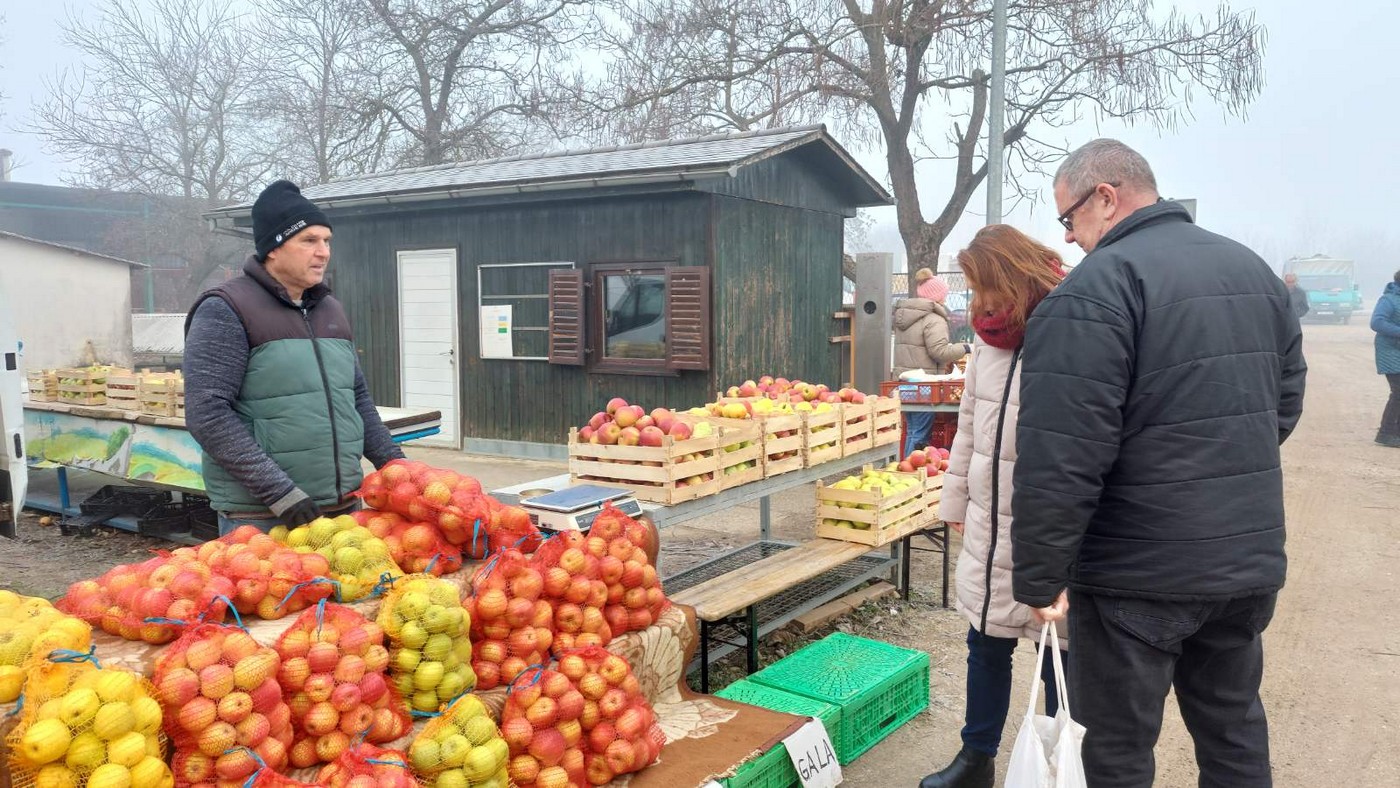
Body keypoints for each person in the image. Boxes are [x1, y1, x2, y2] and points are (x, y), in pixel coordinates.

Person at [1011, 139, 1306, 788]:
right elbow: (1280, 408)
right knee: (1233, 733)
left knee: (1114, 751)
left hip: (1135, 573)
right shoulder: (1254, 273)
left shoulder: (1095, 290)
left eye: (1068, 218)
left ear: (1106, 197)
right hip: (1242, 564)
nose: (1068, 238)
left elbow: (1062, 453)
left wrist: (1038, 577)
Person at [920, 226, 1067, 788]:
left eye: (985, 287)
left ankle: (1058, 762)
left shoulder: (1069, 324)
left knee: (1058, 652)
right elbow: (969, 425)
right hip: (988, 512)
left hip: (1048, 516)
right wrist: (955, 496)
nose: (979, 302)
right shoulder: (987, 338)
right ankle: (976, 758)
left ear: (1012, 275)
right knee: (984, 640)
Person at [184, 180, 404, 535]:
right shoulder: (226, 308)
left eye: (327, 241)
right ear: (273, 248)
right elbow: (207, 414)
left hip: (344, 506)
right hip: (264, 516)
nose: (323, 252)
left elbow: (357, 399)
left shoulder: (330, 309)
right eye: (309, 240)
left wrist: (401, 472)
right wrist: (281, 494)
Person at [893, 267, 972, 455]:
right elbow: (939, 351)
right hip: (924, 384)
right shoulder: (933, 318)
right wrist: (966, 348)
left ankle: (905, 466)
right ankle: (912, 469)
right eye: (944, 294)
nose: (945, 297)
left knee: (912, 430)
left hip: (905, 381)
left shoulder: (906, 315)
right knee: (920, 434)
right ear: (938, 296)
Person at [1370, 270, 1400, 447]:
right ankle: (1386, 433)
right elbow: (1377, 322)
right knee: (1398, 392)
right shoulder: (1388, 300)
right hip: (1391, 351)